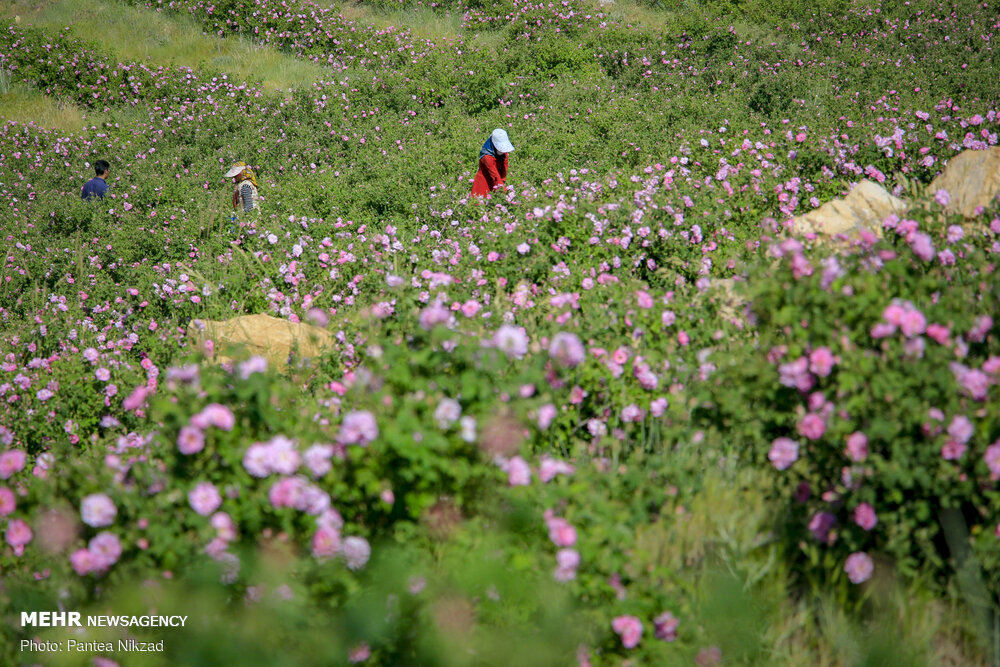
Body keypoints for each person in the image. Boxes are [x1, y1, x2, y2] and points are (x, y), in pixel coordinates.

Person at [471, 129, 514, 198]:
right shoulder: (487, 157)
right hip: (484, 182)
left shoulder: (503, 153)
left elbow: (505, 166)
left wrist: (503, 181)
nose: (503, 152)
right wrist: (502, 189)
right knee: (481, 203)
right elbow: (493, 173)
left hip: (497, 180)